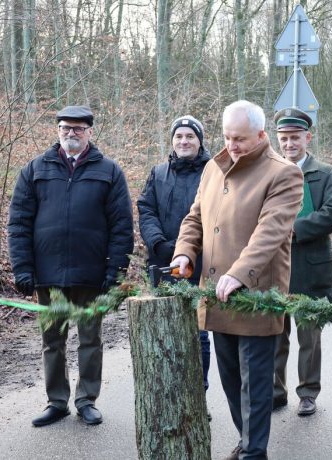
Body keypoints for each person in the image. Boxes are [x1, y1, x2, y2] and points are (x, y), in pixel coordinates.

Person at [170, 100, 303, 460]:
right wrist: (185, 253)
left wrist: (238, 274)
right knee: (230, 380)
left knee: (255, 384)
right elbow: (195, 218)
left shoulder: (283, 173)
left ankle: (254, 453)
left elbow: (270, 234)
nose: (232, 145)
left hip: (256, 296)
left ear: (261, 135)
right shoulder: (214, 168)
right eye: (227, 137)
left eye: (241, 139)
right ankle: (247, 440)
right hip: (216, 295)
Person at [8, 105, 134, 427]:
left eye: (78, 128)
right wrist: (23, 268)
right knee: (53, 340)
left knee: (90, 339)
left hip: (92, 275)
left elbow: (121, 226)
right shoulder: (35, 169)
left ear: (90, 132)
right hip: (47, 276)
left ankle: (86, 399)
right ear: (58, 130)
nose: (71, 133)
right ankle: (57, 402)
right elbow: (19, 223)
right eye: (65, 127)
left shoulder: (109, 171)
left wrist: (114, 270)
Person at [271, 108, 332, 417]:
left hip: (311, 265)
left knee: (309, 335)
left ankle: (308, 392)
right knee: (274, 334)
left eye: (295, 138)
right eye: (284, 138)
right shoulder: (269, 171)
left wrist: (292, 230)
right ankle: (275, 392)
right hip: (275, 266)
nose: (289, 144)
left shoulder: (324, 172)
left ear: (307, 138)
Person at [137, 114, 212, 393]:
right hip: (162, 262)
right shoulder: (158, 173)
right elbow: (146, 209)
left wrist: (190, 249)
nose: (184, 141)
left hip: (201, 263)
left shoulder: (213, 171)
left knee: (199, 332)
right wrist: (159, 243)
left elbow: (217, 216)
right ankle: (169, 392)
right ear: (172, 141)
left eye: (190, 136)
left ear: (199, 140)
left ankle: (197, 392)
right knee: (163, 329)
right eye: (179, 136)